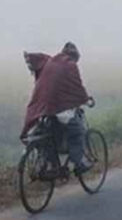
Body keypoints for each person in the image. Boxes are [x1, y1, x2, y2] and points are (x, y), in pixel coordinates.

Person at [21, 42, 93, 175]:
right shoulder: (70, 66)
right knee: (77, 131)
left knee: (50, 134)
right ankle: (77, 164)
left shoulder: (50, 62)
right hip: (58, 107)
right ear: (74, 57)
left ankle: (51, 165)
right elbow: (77, 87)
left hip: (42, 107)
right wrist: (85, 99)